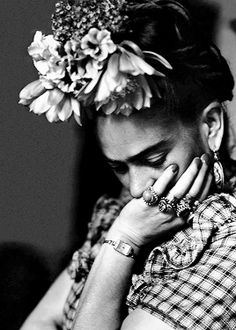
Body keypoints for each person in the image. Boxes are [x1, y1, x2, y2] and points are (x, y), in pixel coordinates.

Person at [18, 0, 236, 329]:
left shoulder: (227, 238)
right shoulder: (129, 213)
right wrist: (123, 234)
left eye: (153, 159)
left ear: (212, 127)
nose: (135, 189)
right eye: (119, 167)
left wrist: (124, 240)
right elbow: (38, 322)